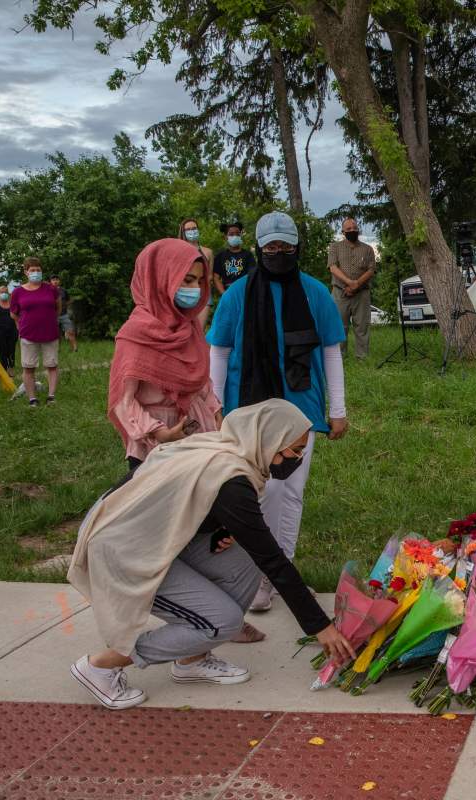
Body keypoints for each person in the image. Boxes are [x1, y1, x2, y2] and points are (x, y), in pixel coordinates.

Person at [67, 399, 356, 710]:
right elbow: (274, 561)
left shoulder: (228, 447)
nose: (298, 458)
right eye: (296, 450)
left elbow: (183, 501)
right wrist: (320, 626)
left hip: (156, 538)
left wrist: (220, 526)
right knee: (222, 622)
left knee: (245, 561)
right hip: (124, 552)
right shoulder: (230, 479)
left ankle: (192, 659)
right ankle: (101, 665)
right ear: (270, 440)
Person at [208, 211, 347, 612]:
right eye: (270, 247)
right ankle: (258, 573)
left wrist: (337, 409)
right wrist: (215, 407)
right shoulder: (236, 295)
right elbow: (219, 351)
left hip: (299, 410)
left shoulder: (315, 292)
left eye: (286, 246)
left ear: (297, 248)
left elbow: (331, 351)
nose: (278, 253)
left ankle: (276, 575)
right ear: (259, 249)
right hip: (246, 412)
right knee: (260, 491)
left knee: (291, 491)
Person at [108, 239, 222, 472]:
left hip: (197, 435)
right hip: (153, 444)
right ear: (161, 278)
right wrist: (162, 433)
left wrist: (216, 411)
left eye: (200, 281)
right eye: (188, 280)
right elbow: (124, 400)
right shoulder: (136, 334)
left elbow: (202, 380)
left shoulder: (190, 327)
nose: (196, 290)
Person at [10, 256, 61, 406]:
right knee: (28, 367)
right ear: (26, 272)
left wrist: (48, 320)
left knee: (51, 365)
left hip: (50, 334)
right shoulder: (18, 292)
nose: (36, 272)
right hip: (28, 335)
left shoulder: (51, 289)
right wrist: (23, 325)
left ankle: (51, 396)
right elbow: (13, 313)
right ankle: (32, 398)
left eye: (38, 270)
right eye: (32, 270)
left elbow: (58, 308)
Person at [328, 217, 376, 361]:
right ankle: (339, 358)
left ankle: (362, 357)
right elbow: (332, 267)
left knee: (362, 327)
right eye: (348, 229)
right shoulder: (335, 247)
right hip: (339, 292)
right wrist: (349, 282)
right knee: (339, 327)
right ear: (343, 231)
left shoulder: (368, 249)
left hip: (361, 293)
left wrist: (356, 285)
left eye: (354, 228)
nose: (352, 231)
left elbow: (371, 270)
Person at [212, 220, 255, 297]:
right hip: (227, 292)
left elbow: (252, 275)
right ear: (225, 237)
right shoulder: (220, 256)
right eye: (231, 234)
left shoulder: (248, 255)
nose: (235, 236)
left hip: (244, 293)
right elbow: (216, 277)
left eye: (237, 234)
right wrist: (224, 294)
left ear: (240, 236)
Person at [0, 286, 18, 375]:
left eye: (5, 292)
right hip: (1, 331)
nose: (3, 294)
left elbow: (17, 317)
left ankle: (11, 368)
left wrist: (18, 329)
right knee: (3, 351)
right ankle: (3, 370)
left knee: (11, 350)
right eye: (1, 292)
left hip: (12, 330)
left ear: (8, 293)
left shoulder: (12, 304)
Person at [49, 276, 77, 353]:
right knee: (57, 334)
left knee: (70, 331)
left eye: (57, 280)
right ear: (50, 281)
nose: (55, 281)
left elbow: (70, 300)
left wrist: (64, 305)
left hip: (64, 315)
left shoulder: (63, 290)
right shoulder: (48, 291)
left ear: (59, 281)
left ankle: (75, 349)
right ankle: (57, 349)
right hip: (53, 316)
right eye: (53, 280)